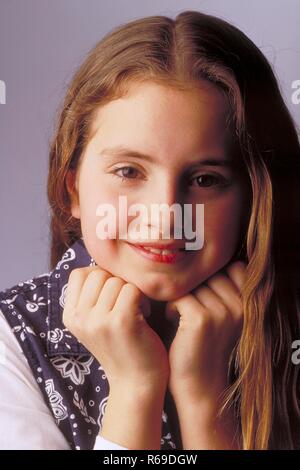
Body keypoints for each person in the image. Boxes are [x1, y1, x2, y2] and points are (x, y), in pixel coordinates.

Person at [0, 9, 299, 450]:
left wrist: (203, 401)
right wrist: (135, 388)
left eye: (205, 179)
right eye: (128, 171)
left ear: (254, 196)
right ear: (73, 190)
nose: (164, 215)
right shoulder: (10, 341)